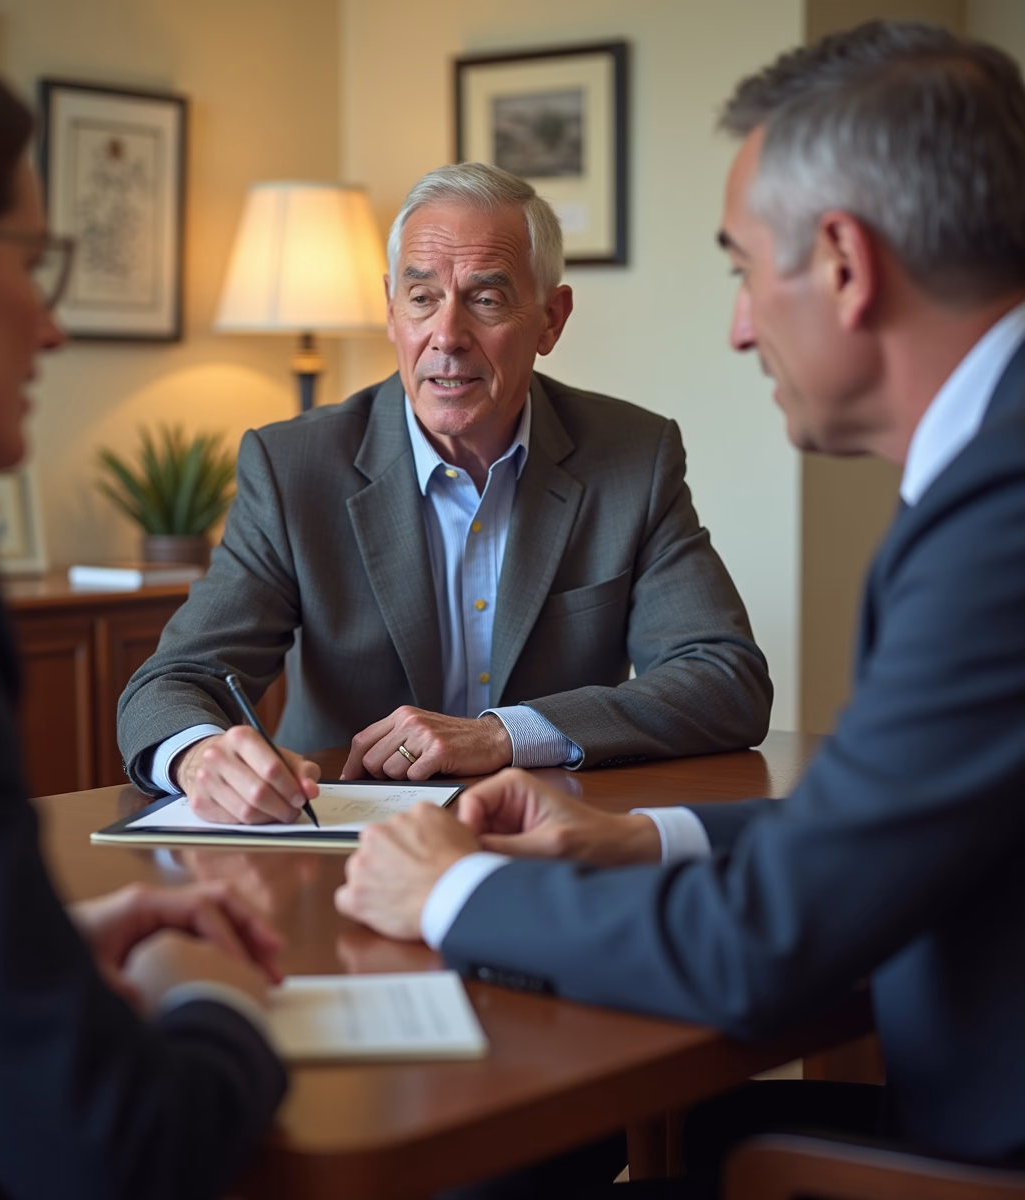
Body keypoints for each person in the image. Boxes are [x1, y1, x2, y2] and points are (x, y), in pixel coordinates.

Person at [334, 19, 1025, 1196]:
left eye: (743, 269)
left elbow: (761, 945)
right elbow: (890, 831)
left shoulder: (996, 522)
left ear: (847, 266)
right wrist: (639, 834)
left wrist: (447, 886)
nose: (741, 325)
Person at [0, 32, 287, 1200]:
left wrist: (40, 961)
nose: (52, 327)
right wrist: (214, 995)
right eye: (38, 265)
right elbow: (121, 1150)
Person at [117, 162, 773, 825]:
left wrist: (504, 733)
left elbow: (725, 679)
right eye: (423, 297)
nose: (447, 337)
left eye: (486, 299)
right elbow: (170, 683)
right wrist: (201, 756)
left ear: (551, 319)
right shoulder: (295, 468)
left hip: (548, 836)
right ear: (391, 311)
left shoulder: (632, 457)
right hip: (342, 840)